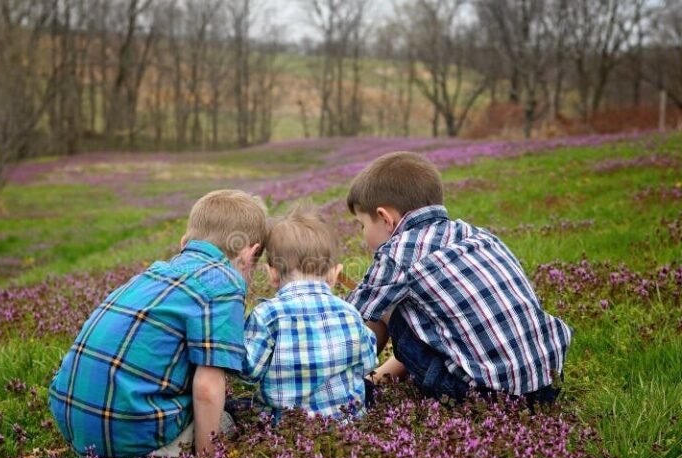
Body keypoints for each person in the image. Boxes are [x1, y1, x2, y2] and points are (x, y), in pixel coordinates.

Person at [48, 190, 267, 458]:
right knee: (227, 422)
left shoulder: (154, 274)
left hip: (71, 418)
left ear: (184, 242)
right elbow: (207, 387)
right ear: (250, 253)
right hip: (131, 432)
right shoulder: (223, 285)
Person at [346, 152, 571, 406]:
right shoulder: (477, 235)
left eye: (362, 225)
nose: (363, 235)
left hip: (483, 397)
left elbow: (351, 321)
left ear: (385, 218)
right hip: (548, 381)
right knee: (410, 308)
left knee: (387, 308)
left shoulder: (397, 254)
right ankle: (382, 377)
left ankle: (353, 385)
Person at [234, 204, 377, 422]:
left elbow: (248, 372)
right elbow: (369, 361)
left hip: (285, 430)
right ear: (335, 273)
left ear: (272, 274)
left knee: (234, 409)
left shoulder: (267, 316)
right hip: (348, 426)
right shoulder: (350, 313)